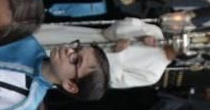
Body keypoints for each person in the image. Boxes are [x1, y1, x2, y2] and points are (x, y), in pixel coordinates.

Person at [36, 18, 176, 89]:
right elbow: (111, 30)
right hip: (86, 41)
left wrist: (115, 55)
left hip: (78, 66)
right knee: (36, 38)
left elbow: (111, 81)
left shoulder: (153, 74)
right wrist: (139, 35)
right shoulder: (155, 33)